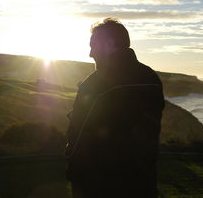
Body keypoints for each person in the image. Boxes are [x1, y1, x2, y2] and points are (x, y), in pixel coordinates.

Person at [65, 18, 165, 198]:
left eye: (93, 46)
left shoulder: (95, 84)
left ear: (109, 44)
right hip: (143, 180)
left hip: (99, 183)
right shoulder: (151, 78)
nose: (90, 54)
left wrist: (74, 174)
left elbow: (78, 137)